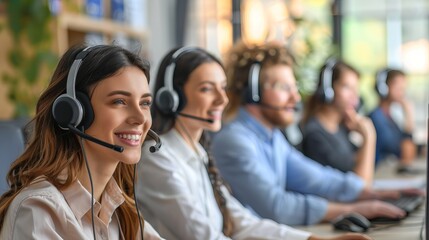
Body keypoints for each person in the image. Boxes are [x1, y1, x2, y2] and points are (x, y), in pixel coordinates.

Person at [136, 46, 370, 240]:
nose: (222, 99)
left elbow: (242, 223)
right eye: (207, 89)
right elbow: (206, 237)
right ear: (171, 97)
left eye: (223, 88)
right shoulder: (159, 158)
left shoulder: (197, 153)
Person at [211, 41, 411, 226]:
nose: (295, 96)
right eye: (283, 87)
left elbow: (319, 179)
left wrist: (375, 194)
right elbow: (276, 207)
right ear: (252, 92)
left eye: (294, 87)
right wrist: (352, 209)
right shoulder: (234, 140)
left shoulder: (272, 138)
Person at [0, 44, 163, 240]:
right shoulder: (39, 211)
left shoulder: (119, 209)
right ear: (74, 113)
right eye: (119, 101)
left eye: (145, 103)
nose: (140, 118)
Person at [300, 59, 376, 185]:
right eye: (347, 87)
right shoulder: (315, 135)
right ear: (327, 90)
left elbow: (356, 164)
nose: (355, 95)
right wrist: (369, 136)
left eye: (356, 88)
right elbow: (361, 187)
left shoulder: (340, 127)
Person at [369, 68, 417, 170]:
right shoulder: (376, 119)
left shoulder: (389, 117)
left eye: (404, 89)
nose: (402, 93)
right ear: (384, 88)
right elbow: (406, 156)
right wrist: (409, 114)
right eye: (399, 88)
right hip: (381, 175)